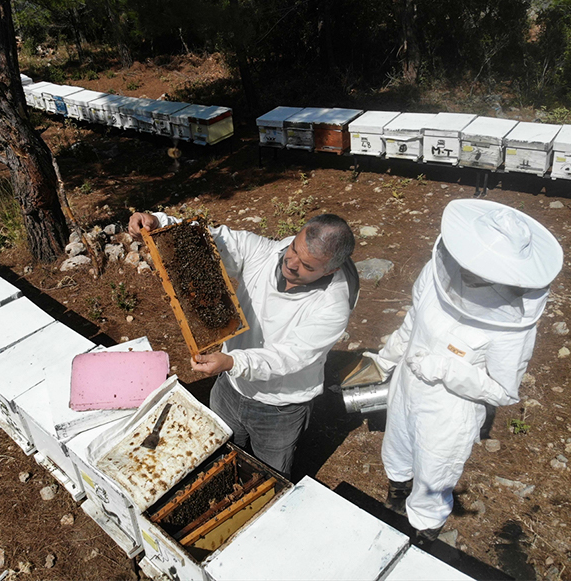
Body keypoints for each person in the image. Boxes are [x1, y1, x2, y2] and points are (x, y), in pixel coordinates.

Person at [367, 199, 563, 544]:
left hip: (450, 409)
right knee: (397, 445)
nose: (468, 270)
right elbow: (413, 322)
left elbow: (503, 391)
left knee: (434, 471)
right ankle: (396, 494)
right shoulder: (438, 269)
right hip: (406, 386)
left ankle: (424, 533)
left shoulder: (512, 323)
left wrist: (445, 369)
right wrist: (383, 360)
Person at [129, 210, 359, 476]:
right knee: (219, 452)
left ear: (331, 269)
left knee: (267, 474)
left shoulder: (332, 306)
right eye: (294, 249)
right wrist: (159, 223)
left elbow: (288, 357)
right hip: (229, 388)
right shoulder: (267, 251)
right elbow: (212, 242)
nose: (292, 263)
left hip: (279, 407)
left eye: (307, 266)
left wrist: (232, 361)